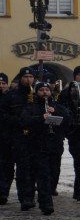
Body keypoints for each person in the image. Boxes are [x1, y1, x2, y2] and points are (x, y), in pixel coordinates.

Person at [19, 81, 71, 216]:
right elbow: (24, 121)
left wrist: (57, 112)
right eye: (41, 90)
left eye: (47, 90)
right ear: (37, 92)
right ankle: (45, 203)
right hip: (38, 146)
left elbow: (68, 120)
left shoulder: (57, 106)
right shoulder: (31, 107)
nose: (45, 93)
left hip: (55, 146)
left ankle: (42, 196)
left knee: (53, 174)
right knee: (43, 175)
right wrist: (41, 118)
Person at [57, 65, 80, 203]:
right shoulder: (66, 93)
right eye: (79, 75)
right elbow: (60, 109)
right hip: (75, 132)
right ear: (75, 77)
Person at [1, 67, 37, 209]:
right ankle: (3, 193)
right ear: (20, 78)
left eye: (30, 77)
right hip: (13, 136)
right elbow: (3, 115)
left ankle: (26, 197)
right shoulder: (10, 96)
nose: (28, 79)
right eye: (25, 77)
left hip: (31, 137)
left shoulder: (36, 94)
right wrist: (18, 120)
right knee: (7, 167)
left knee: (27, 169)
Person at [0, 72, 12, 205]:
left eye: (4, 84)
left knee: (7, 166)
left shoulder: (10, 98)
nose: (1, 86)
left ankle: (4, 192)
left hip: (8, 137)